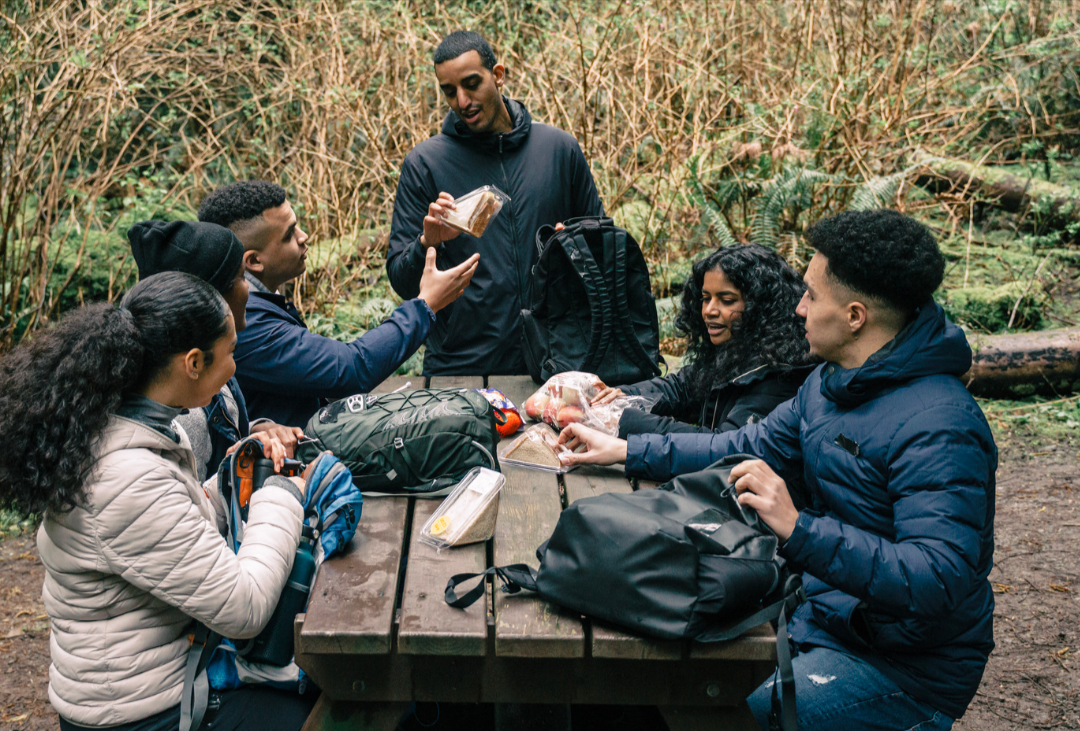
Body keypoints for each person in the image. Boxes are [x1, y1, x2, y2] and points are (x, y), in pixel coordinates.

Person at [557, 210, 996, 730]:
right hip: (823, 613)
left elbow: (938, 579)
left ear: (856, 316)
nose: (798, 307)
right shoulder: (832, 383)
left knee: (730, 712)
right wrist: (625, 451)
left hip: (903, 668)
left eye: (810, 295)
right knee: (638, 664)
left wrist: (799, 529)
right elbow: (743, 445)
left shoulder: (940, 425)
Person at [0, 273, 314, 731]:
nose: (234, 365)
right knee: (328, 711)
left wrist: (231, 479)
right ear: (192, 362)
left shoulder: (120, 427)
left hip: (157, 681)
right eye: (231, 353)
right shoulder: (126, 479)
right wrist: (283, 493)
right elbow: (243, 608)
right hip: (144, 713)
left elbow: (171, 527)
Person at [386, 30, 605, 377]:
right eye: (449, 91)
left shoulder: (558, 150)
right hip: (460, 369)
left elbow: (602, 250)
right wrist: (427, 242)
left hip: (558, 361)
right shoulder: (425, 163)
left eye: (471, 83)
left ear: (498, 75)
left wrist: (574, 245)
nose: (462, 101)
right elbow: (402, 281)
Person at [198, 180, 479, 427]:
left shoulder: (254, 306)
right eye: (289, 234)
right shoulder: (245, 323)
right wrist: (426, 304)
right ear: (254, 261)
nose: (303, 237)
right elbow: (350, 369)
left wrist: (428, 243)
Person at [128, 219, 301, 480]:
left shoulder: (209, 370)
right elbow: (195, 502)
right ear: (211, 296)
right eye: (242, 277)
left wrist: (256, 431)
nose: (248, 289)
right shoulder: (185, 417)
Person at [592, 244, 815, 438]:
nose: (709, 310)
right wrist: (619, 398)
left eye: (726, 300)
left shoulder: (779, 376)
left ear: (761, 308)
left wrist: (623, 421)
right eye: (706, 298)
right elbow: (681, 387)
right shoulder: (736, 350)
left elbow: (721, 444)